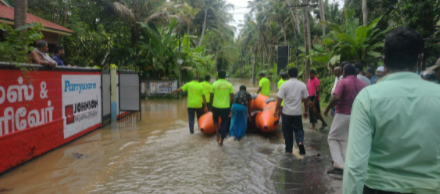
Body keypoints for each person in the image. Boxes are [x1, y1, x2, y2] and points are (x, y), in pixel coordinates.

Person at [343, 28, 440, 194]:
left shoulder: (368, 98)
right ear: (420, 58)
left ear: (385, 60)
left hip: (379, 188)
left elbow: (355, 166)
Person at [323, 63, 366, 175]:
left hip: (343, 113)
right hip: (356, 115)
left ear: (344, 72)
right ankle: (345, 164)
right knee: (345, 139)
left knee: (332, 138)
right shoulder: (362, 84)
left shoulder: (343, 82)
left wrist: (327, 108)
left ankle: (338, 165)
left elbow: (336, 97)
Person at [275, 68, 309, 155]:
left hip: (286, 112)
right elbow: (305, 99)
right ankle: (300, 141)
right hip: (297, 112)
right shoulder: (302, 85)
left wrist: (277, 110)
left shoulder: (284, 85)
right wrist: (306, 111)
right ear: (297, 74)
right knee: (298, 129)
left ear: (288, 75)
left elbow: (279, 99)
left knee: (287, 130)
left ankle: (288, 149)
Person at [210, 70, 234, 146]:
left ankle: (217, 135)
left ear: (218, 76)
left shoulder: (214, 84)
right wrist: (230, 107)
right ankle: (221, 142)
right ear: (225, 76)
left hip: (215, 106)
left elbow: (211, 96)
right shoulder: (229, 85)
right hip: (225, 107)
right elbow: (232, 97)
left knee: (215, 120)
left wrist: (210, 106)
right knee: (224, 123)